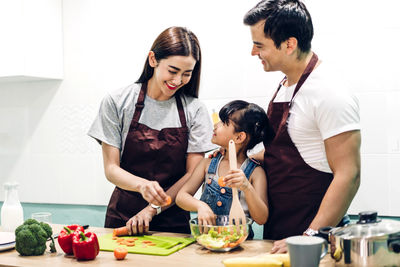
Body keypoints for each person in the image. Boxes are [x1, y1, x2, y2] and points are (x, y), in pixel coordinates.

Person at [243, 0, 361, 252]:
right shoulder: (286, 83)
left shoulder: (329, 92)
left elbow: (349, 175)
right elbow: (286, 152)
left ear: (289, 44)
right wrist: (244, 161)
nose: (253, 52)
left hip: (315, 239)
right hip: (281, 231)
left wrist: (311, 235)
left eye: (259, 45)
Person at [88, 26, 215, 235]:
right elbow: (111, 169)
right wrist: (142, 185)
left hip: (174, 220)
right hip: (123, 217)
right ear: (153, 60)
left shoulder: (195, 109)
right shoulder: (118, 102)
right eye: (172, 71)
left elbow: (193, 175)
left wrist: (152, 209)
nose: (177, 81)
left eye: (186, 74)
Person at [176, 100, 275, 239]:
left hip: (241, 244)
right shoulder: (207, 163)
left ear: (239, 137)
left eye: (223, 123)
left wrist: (247, 187)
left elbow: (261, 218)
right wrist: (200, 206)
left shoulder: (255, 173)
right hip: (206, 241)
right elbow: (181, 197)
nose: (216, 126)